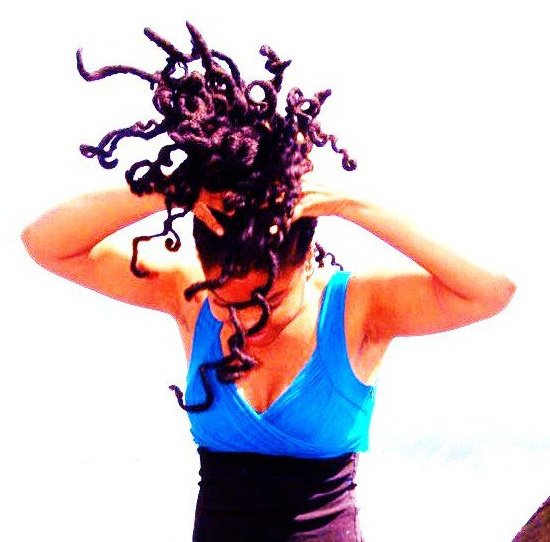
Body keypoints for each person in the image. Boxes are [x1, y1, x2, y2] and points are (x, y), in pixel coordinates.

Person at [20, 21, 516, 541]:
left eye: (269, 299)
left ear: (307, 263)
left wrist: (352, 204)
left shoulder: (358, 309)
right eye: (224, 300)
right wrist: (172, 186)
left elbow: (493, 290)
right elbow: (45, 243)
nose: (244, 319)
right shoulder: (185, 294)